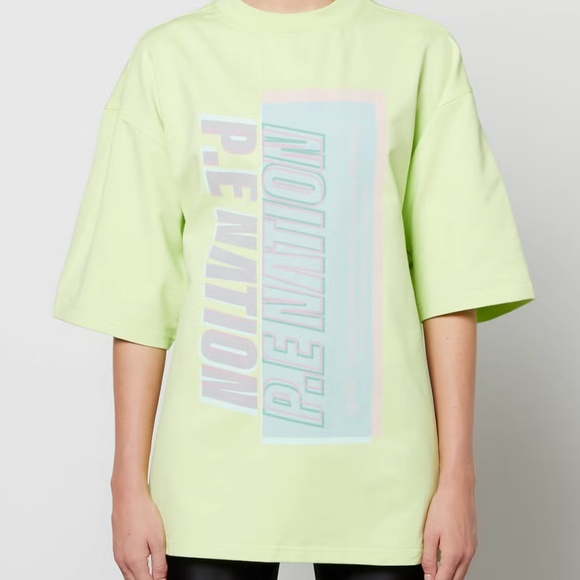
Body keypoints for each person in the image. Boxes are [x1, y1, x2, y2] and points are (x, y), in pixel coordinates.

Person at [52, 0, 536, 579]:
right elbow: (137, 294)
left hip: (385, 483)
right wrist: (127, 484)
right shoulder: (169, 58)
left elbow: (452, 284)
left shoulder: (421, 53)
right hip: (212, 479)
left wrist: (458, 478)